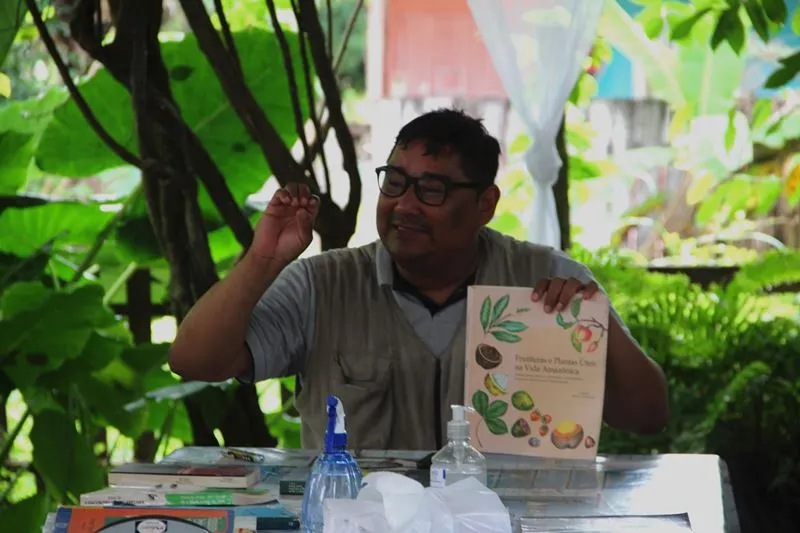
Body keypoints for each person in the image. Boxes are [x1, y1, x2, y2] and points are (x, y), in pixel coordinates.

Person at [169, 108, 669, 450]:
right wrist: (262, 259)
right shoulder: (322, 285)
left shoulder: (546, 282)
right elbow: (193, 360)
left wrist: (592, 318)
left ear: (485, 205)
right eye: (395, 182)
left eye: (432, 189)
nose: (404, 205)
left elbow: (647, 416)